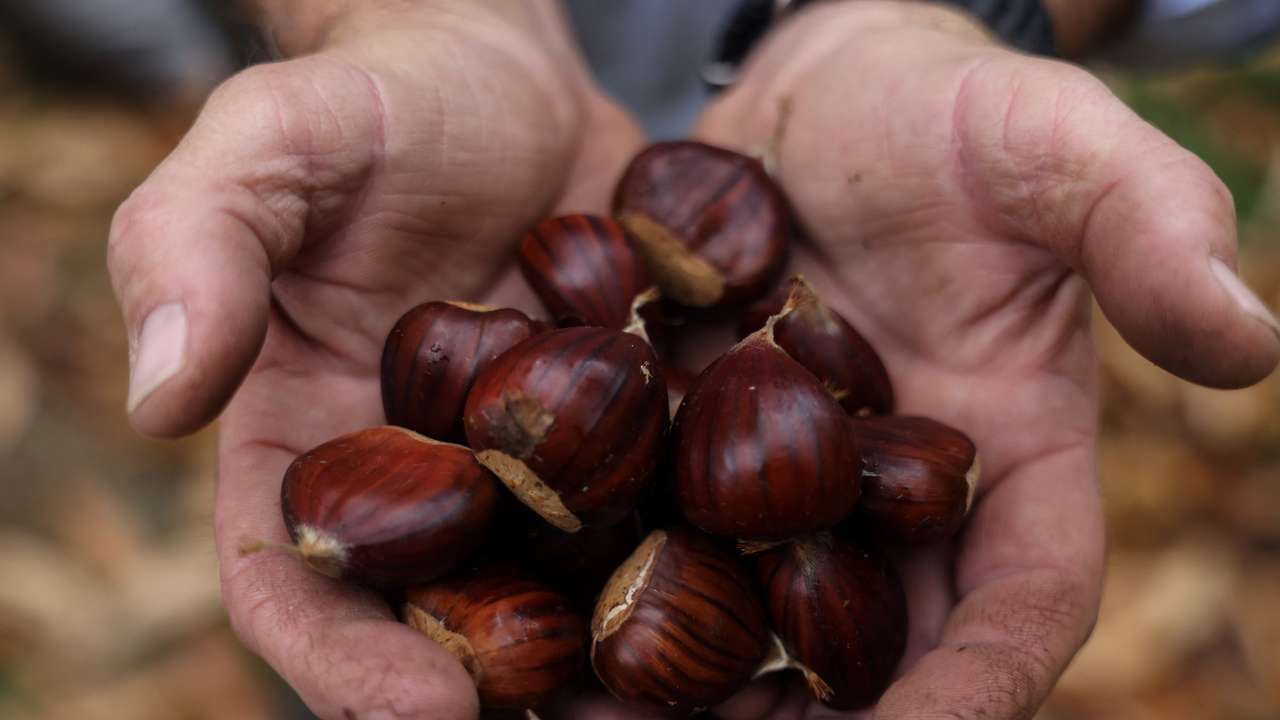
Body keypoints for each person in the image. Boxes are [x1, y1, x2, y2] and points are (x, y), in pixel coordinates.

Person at [106, 1, 1280, 718]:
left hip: (842, 147)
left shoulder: (657, 388)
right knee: (357, 671)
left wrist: (946, 10)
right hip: (488, 115)